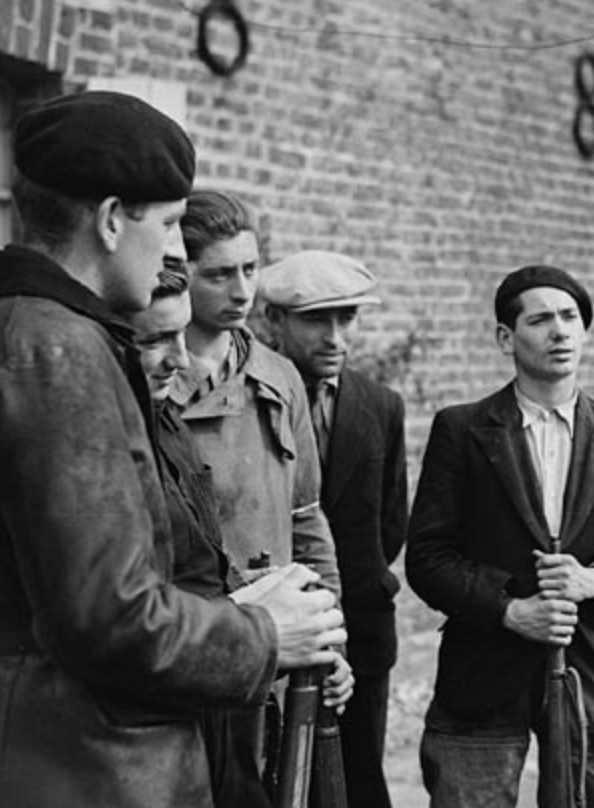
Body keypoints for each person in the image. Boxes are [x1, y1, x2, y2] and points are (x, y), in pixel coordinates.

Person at [0, 90, 346, 808]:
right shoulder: (58, 347)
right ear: (109, 221)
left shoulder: (41, 330)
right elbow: (110, 621)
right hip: (89, 769)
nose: (172, 252)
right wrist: (261, 633)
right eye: (164, 226)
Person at [406, 264, 594, 808]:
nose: (560, 332)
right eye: (542, 319)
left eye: (571, 318)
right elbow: (429, 557)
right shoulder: (462, 430)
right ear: (506, 337)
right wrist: (510, 610)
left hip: (591, 664)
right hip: (483, 665)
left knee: (586, 796)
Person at [132, 258, 354, 805]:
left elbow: (306, 519)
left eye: (250, 268)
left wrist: (322, 634)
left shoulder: (178, 422)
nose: (177, 361)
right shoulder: (120, 433)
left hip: (237, 671)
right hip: (162, 704)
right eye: (158, 340)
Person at [260, 250, 408, 808]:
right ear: (276, 321)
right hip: (274, 628)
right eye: (317, 320)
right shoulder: (258, 393)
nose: (335, 336)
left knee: (358, 778)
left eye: (347, 318)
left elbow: (391, 520)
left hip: (362, 632)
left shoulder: (381, 406)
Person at [169, 189, 340, 593]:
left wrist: (329, 627)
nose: (243, 291)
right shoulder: (152, 380)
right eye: (219, 274)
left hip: (282, 626)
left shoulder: (279, 377)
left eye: (250, 268)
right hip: (194, 620)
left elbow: (307, 519)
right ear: (180, 271)